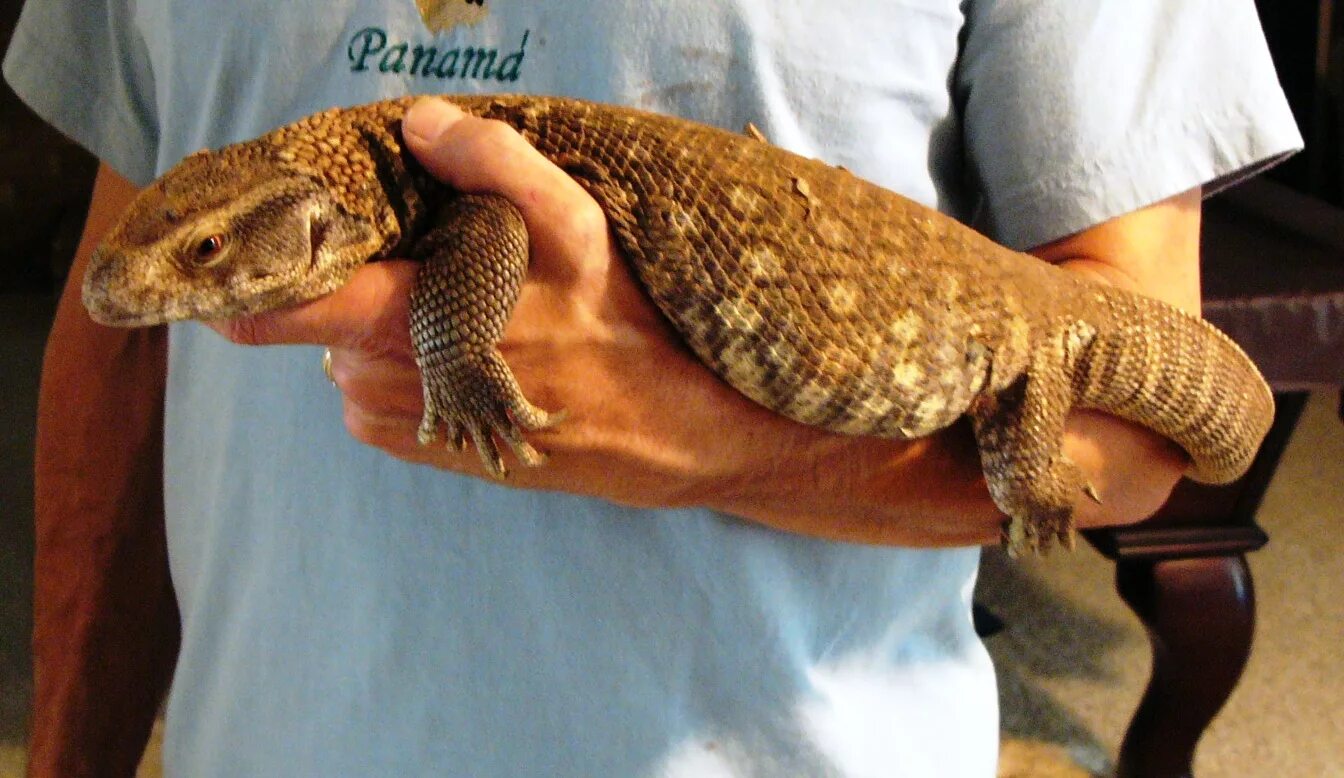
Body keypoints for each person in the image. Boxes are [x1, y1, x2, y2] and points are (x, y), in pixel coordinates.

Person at [5, 1, 1300, 775]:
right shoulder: (300, 186)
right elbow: (113, 327)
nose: (167, 279)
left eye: (210, 259)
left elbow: (1137, 444)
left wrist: (716, 441)